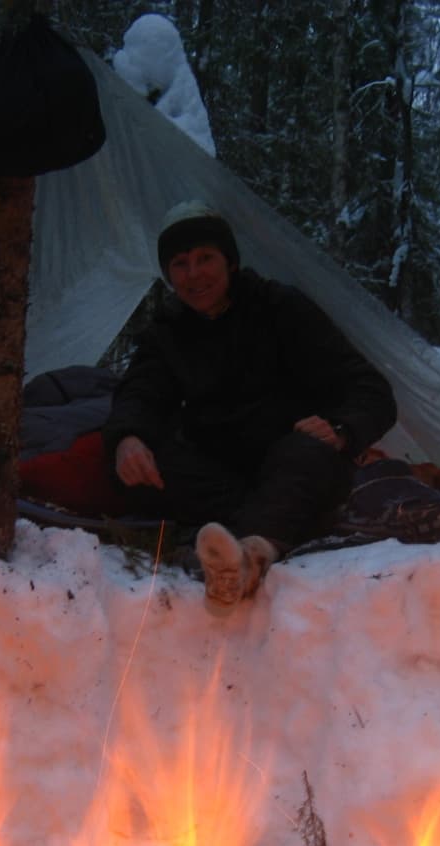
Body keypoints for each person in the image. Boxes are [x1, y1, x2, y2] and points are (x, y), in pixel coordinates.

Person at [102, 201, 397, 612]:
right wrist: (128, 438)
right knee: (136, 466)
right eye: (181, 263)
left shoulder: (280, 308)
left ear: (231, 262)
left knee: (305, 453)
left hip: (291, 455)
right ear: (169, 275)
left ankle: (248, 556)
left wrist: (343, 429)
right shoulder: (168, 332)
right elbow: (140, 394)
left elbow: (371, 390)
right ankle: (267, 529)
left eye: (205, 258)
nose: (194, 274)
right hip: (223, 471)